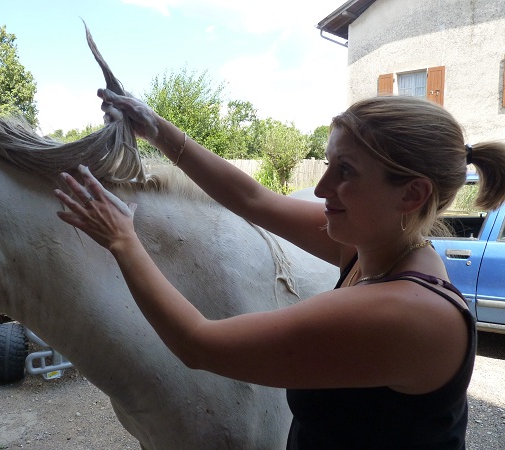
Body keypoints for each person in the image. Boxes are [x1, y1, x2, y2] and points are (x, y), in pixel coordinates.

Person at [53, 92, 505, 449]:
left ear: (411, 195)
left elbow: (197, 344)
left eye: (345, 171)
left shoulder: (405, 313)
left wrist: (121, 240)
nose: (323, 186)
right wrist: (156, 128)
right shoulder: (379, 248)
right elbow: (254, 200)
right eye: (329, 163)